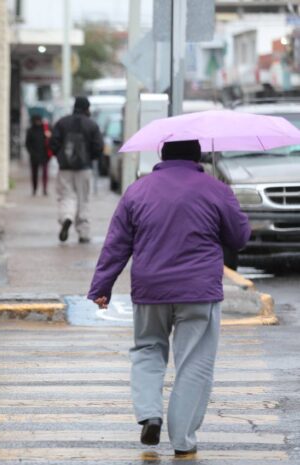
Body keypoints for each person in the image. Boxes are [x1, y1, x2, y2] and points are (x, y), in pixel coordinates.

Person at [87, 140, 250, 457]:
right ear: (197, 157)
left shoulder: (138, 190)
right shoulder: (215, 188)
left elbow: (117, 244)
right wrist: (226, 199)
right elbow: (239, 237)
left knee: (148, 349)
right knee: (194, 364)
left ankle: (150, 413)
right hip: (198, 291)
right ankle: (183, 440)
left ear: (162, 155)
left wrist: (101, 287)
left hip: (151, 289)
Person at [49, 96, 104, 243]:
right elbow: (98, 146)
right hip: (84, 168)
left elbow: (53, 143)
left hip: (65, 168)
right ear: (87, 108)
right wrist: (90, 158)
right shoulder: (92, 125)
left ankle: (67, 217)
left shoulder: (62, 123)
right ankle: (83, 232)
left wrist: (60, 156)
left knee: (66, 196)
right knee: (83, 199)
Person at [25, 114, 51, 196]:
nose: (38, 122)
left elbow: (50, 140)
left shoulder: (46, 129)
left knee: (45, 173)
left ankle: (45, 189)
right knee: (34, 174)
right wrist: (31, 153)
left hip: (44, 156)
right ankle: (34, 189)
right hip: (34, 156)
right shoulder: (30, 130)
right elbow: (27, 143)